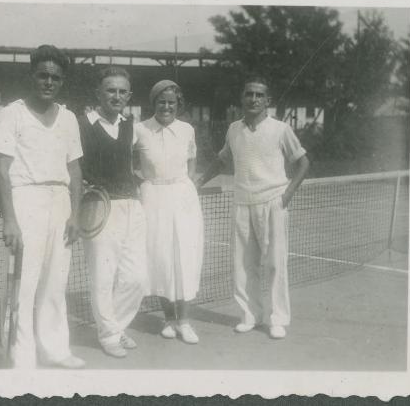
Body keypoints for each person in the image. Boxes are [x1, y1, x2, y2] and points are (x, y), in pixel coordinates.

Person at [0, 44, 85, 369]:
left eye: (55, 77)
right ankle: (21, 356)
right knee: (22, 286)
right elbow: (0, 171)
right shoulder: (11, 114)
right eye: (43, 75)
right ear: (32, 75)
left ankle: (56, 349)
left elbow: (76, 171)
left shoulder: (69, 118)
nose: (48, 82)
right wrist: (9, 220)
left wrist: (76, 215)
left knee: (56, 282)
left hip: (61, 204)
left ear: (62, 81)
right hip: (25, 201)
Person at [197, 77, 309, 339]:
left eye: (259, 95)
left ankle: (277, 319)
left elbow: (303, 163)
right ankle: (250, 315)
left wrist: (286, 196)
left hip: (273, 203)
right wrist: (199, 181)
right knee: (243, 265)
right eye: (249, 94)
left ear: (268, 101)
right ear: (242, 98)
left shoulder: (281, 129)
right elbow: (222, 160)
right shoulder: (234, 129)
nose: (254, 99)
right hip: (242, 203)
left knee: (274, 265)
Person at [78, 66, 148, 358]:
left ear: (128, 95)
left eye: (122, 91)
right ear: (98, 93)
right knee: (103, 277)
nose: (116, 96)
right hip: (99, 206)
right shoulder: (81, 124)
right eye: (110, 90)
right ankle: (109, 335)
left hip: (132, 206)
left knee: (137, 278)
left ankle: (115, 327)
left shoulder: (132, 126)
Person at [134, 80, 204, 344]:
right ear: (153, 104)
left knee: (184, 256)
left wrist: (187, 184)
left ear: (178, 104)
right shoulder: (139, 130)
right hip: (153, 197)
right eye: (161, 102)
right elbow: (123, 157)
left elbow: (192, 161)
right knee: (161, 257)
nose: (166, 107)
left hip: (183, 198)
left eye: (171, 102)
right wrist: (139, 182)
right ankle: (168, 319)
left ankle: (184, 322)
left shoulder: (187, 130)